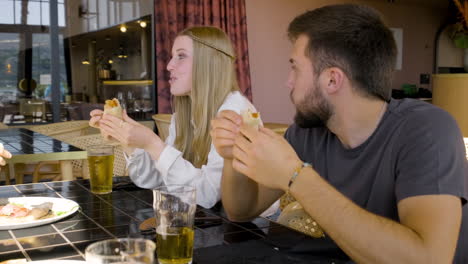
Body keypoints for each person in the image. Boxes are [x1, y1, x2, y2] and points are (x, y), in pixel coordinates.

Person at [211, 4, 467, 263]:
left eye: (295, 68)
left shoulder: (428, 129)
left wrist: (295, 176)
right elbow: (241, 211)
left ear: (332, 80)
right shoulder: (307, 132)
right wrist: (233, 156)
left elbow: (429, 258)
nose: (288, 81)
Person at [89, 26, 257, 208]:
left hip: (256, 228)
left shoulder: (234, 113)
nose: (169, 65)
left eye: (181, 56)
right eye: (172, 56)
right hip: (210, 220)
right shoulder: (183, 115)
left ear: (209, 62)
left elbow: (206, 195)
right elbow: (153, 180)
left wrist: (153, 144)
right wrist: (128, 140)